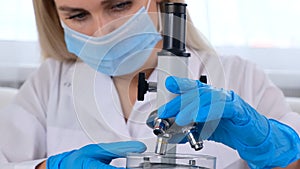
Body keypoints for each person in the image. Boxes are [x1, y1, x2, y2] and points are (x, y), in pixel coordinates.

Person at [0, 0, 299, 168]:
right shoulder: (48, 83)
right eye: (78, 16)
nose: (103, 31)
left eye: (119, 5)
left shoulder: (241, 76)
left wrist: (272, 145)